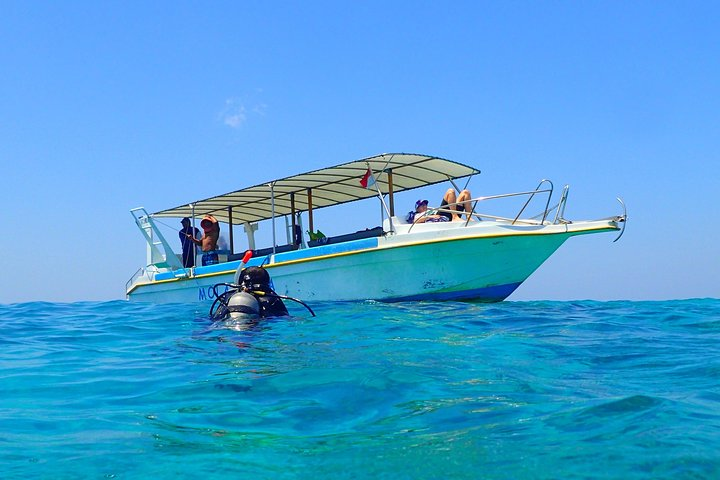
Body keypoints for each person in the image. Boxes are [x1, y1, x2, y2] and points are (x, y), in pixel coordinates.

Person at [406, 188, 474, 224]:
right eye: (422, 205)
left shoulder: (430, 210)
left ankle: (468, 217)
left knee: (466, 193)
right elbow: (415, 221)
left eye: (425, 204)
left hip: (445, 214)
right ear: (417, 209)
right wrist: (429, 216)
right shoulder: (417, 215)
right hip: (442, 216)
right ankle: (454, 217)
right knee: (450, 191)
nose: (425, 206)